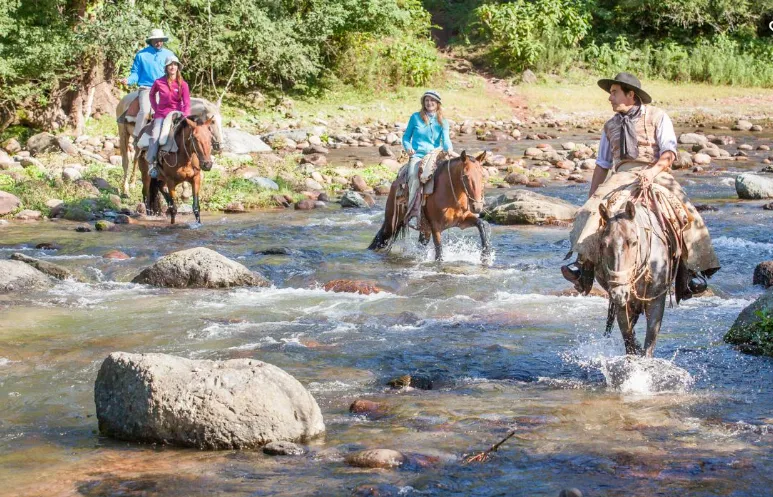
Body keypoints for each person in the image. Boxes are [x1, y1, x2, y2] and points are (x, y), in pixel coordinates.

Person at [561, 72, 720, 300]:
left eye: (614, 93)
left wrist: (653, 171)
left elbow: (669, 152)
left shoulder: (658, 116)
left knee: (684, 214)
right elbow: (602, 164)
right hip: (621, 176)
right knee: (591, 213)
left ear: (631, 95)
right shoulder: (610, 126)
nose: (610, 98)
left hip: (656, 174)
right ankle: (583, 267)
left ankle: (691, 272)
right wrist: (591, 196)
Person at [401, 90, 454, 228]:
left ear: (437, 104)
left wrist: (448, 149)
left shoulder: (443, 121)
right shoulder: (415, 117)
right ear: (423, 103)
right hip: (418, 155)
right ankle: (413, 212)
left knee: (449, 175)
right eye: (426, 100)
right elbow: (406, 137)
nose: (429, 103)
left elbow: (446, 140)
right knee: (413, 176)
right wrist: (408, 148)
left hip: (435, 154)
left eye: (432, 100)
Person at [123, 28, 175, 140]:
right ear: (150, 41)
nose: (159, 42)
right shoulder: (142, 55)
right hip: (147, 88)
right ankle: (138, 137)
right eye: (156, 40)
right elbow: (135, 73)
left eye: (161, 40)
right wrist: (128, 80)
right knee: (145, 111)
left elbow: (174, 71)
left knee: (175, 112)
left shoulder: (169, 54)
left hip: (165, 88)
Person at [146, 55, 190, 178]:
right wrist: (156, 109)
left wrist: (186, 115)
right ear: (166, 67)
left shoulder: (183, 84)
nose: (172, 67)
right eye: (170, 65)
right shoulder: (159, 82)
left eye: (175, 64)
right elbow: (151, 95)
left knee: (189, 135)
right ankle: (152, 164)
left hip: (177, 114)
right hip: (162, 114)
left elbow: (186, 102)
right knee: (156, 136)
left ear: (178, 67)